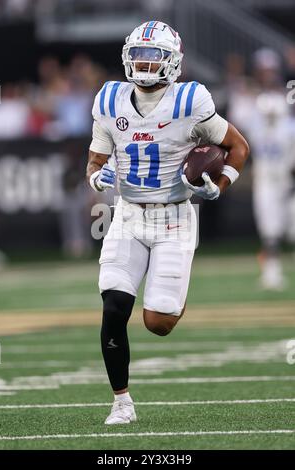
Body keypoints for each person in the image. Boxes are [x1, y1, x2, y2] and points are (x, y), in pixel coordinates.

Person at [86, 21, 249, 425]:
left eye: (154, 55)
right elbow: (96, 159)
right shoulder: (109, 100)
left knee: (157, 322)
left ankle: (172, 295)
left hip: (175, 217)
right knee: (114, 304)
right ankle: (121, 402)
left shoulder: (191, 101)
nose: (144, 63)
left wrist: (221, 183)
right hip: (126, 214)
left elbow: (238, 147)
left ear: (173, 62)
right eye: (138, 54)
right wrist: (96, 176)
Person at [247, 91, 295, 289]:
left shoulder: (289, 129)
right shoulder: (256, 128)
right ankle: (271, 272)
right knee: (269, 231)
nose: (269, 117)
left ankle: (272, 271)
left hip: (288, 183)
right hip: (266, 183)